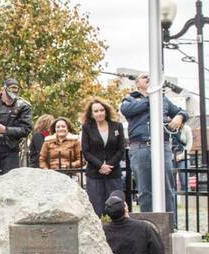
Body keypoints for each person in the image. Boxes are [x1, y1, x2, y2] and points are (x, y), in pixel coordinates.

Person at [120, 73, 188, 212]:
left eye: (151, 76)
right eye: (145, 77)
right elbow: (127, 110)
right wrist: (153, 96)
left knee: (167, 187)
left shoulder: (164, 100)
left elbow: (183, 111)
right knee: (145, 189)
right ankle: (148, 224)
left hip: (163, 146)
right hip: (140, 147)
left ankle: (170, 225)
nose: (149, 78)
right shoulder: (130, 99)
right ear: (137, 83)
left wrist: (180, 116)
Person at [81, 98, 125, 216]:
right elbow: (86, 152)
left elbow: (121, 149)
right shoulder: (87, 128)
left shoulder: (117, 126)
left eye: (101, 110)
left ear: (106, 111)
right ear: (91, 113)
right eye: (96, 111)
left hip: (113, 173)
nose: (99, 113)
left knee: (116, 206)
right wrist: (100, 166)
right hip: (94, 174)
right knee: (96, 208)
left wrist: (109, 166)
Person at [0, 78, 33, 193]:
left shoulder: (24, 106)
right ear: (3, 90)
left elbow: (26, 129)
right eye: (8, 96)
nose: (10, 100)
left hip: (10, 149)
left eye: (13, 97)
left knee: (9, 185)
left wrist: (5, 130)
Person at [171, 124, 193, 191]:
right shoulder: (169, 128)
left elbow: (189, 144)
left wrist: (180, 156)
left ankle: (186, 199)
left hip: (183, 157)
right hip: (171, 158)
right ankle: (173, 201)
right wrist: (172, 156)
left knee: (184, 182)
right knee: (171, 183)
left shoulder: (186, 128)